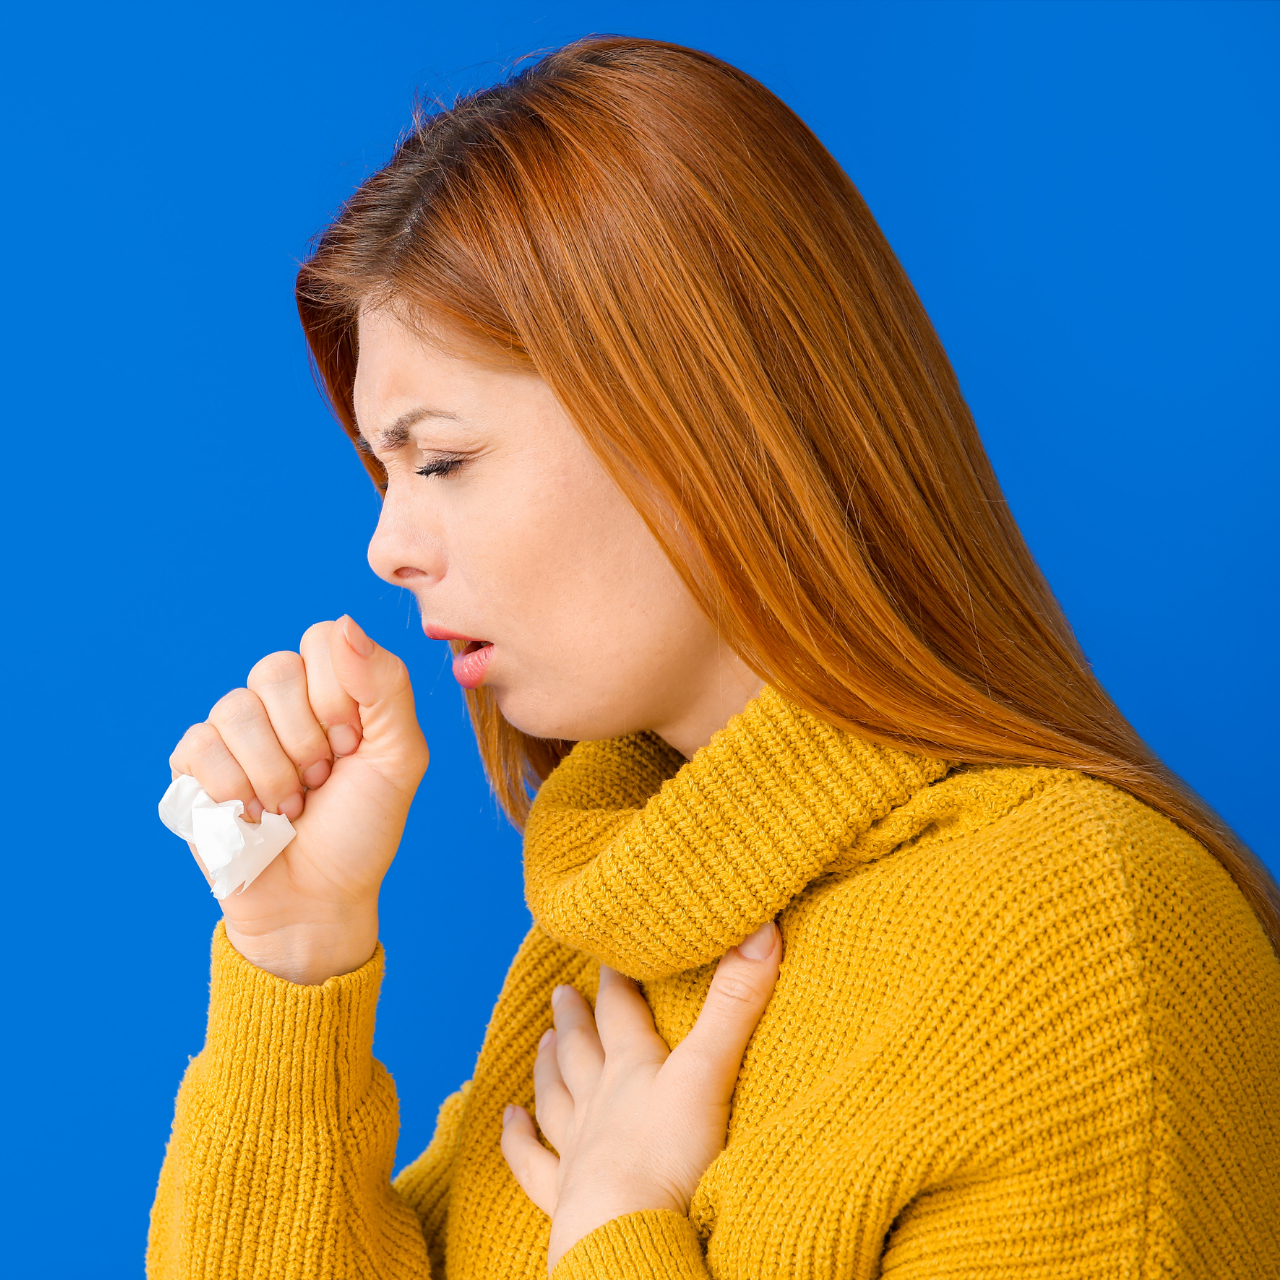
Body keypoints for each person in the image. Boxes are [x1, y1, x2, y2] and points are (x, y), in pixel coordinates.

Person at [147, 36, 1280, 1280]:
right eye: (383, 470)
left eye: (443, 459)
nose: (387, 546)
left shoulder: (1080, 941)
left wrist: (618, 1228)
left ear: (699, 420)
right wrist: (295, 955)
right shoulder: (621, 933)